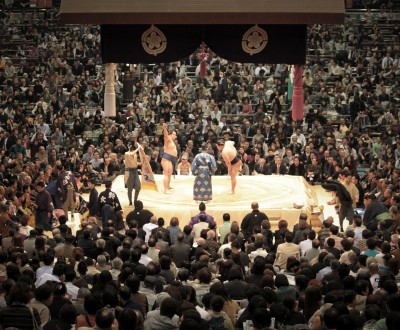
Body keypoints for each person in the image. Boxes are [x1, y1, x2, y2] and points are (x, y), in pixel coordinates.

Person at [161, 122, 178, 194]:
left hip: (170, 160)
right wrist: (165, 129)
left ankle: (168, 185)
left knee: (169, 173)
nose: (176, 136)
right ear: (170, 134)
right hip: (166, 160)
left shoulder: (172, 141)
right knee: (166, 174)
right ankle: (165, 189)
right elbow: (165, 135)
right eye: (174, 134)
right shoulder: (167, 140)